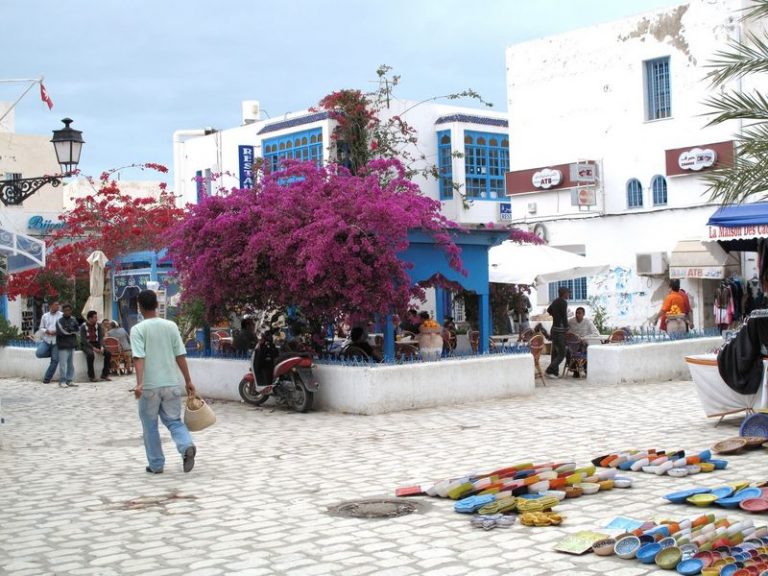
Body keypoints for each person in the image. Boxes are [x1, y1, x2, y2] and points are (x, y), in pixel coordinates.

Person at [130, 289, 197, 475]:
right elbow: (180, 355)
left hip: (150, 386)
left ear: (140, 307)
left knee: (150, 425)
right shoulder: (171, 326)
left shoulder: (138, 330)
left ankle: (156, 464)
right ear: (156, 305)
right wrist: (188, 380)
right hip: (171, 383)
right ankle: (186, 446)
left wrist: (139, 383)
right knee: (174, 421)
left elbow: (138, 358)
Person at [79, 311, 112, 382]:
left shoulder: (98, 325)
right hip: (86, 344)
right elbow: (83, 340)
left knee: (108, 353)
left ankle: (104, 374)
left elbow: (100, 338)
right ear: (90, 318)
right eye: (95, 317)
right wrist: (94, 348)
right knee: (90, 355)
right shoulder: (83, 326)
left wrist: (102, 346)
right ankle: (91, 376)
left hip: (97, 343)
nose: (96, 319)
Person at [546, 286, 570, 378]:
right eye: (568, 293)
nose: (569, 295)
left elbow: (549, 310)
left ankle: (554, 372)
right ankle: (549, 370)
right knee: (562, 353)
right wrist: (567, 327)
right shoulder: (563, 302)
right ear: (564, 293)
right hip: (560, 331)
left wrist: (555, 316)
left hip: (554, 329)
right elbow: (564, 316)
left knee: (555, 352)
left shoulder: (555, 301)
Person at [37, 300, 62, 384]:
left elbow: (64, 327)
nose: (57, 306)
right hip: (47, 340)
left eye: (58, 305)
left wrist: (56, 331)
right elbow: (41, 328)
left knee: (55, 360)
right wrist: (47, 331)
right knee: (39, 353)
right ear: (51, 305)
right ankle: (53, 353)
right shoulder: (45, 316)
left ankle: (47, 378)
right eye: (56, 305)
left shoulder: (61, 315)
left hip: (56, 341)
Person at [55, 304, 80, 388]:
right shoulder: (59, 321)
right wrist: (71, 331)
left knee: (70, 364)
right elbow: (62, 332)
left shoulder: (74, 319)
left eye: (68, 310)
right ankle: (62, 381)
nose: (67, 312)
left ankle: (70, 380)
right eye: (65, 310)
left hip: (72, 344)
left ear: (71, 311)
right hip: (63, 345)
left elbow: (77, 330)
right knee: (63, 364)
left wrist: (71, 330)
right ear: (63, 311)